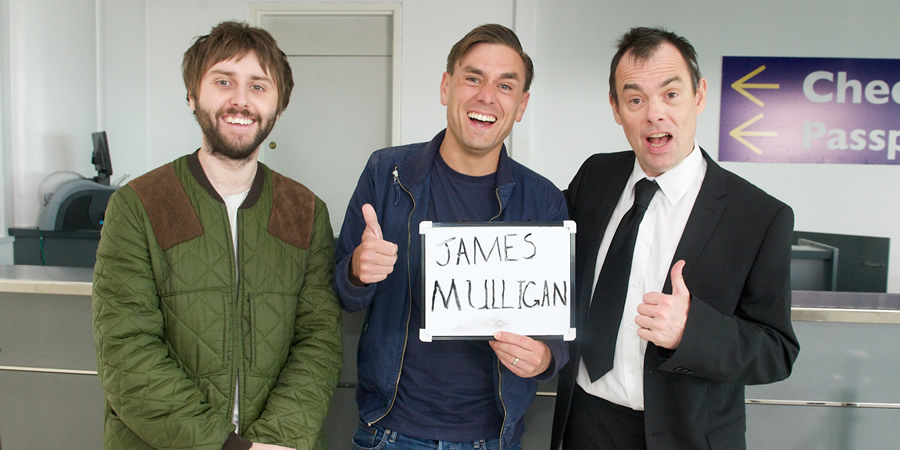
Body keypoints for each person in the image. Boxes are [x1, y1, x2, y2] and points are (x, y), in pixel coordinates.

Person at [92, 21, 342, 450]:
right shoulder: (141, 204)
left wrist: (276, 441)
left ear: (279, 105)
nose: (240, 100)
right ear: (193, 94)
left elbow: (318, 342)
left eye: (259, 87)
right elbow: (126, 351)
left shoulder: (304, 211)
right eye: (223, 81)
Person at [550, 27, 800, 449]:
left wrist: (692, 331)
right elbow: (536, 246)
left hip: (685, 435)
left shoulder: (759, 216)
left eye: (671, 94)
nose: (654, 114)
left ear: (699, 94)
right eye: (635, 100)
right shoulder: (595, 177)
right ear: (616, 108)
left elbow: (776, 351)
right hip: (586, 424)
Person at [334, 24, 569, 450]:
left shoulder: (545, 201)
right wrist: (356, 270)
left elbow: (557, 324)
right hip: (388, 432)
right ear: (447, 86)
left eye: (505, 85)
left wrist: (547, 358)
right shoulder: (386, 174)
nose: (486, 96)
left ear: (521, 105)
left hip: (493, 438)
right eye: (473, 78)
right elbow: (343, 295)